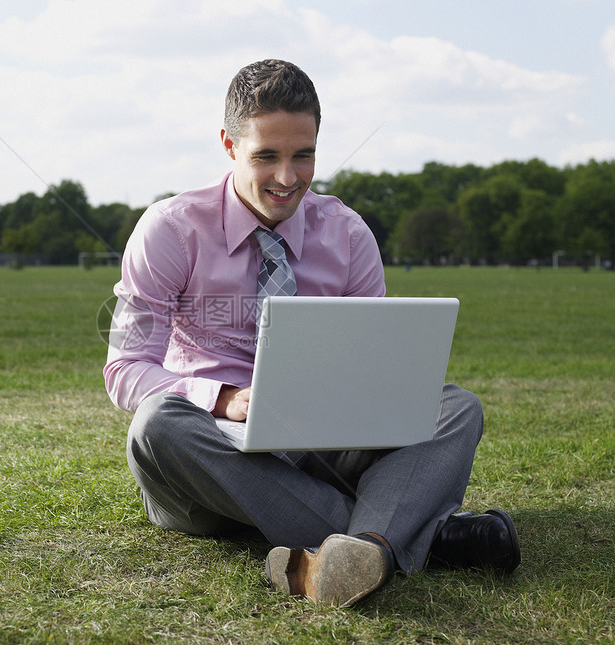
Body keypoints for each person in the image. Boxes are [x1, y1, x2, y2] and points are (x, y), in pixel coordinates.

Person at [103, 59, 520, 607]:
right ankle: (411, 536)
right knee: (155, 425)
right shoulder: (171, 229)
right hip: (210, 457)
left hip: (318, 444)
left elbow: (377, 369)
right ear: (229, 146)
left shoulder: (347, 234)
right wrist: (224, 400)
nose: (287, 177)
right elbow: (125, 370)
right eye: (266, 156)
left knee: (454, 406)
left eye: (304, 155)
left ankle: (346, 556)